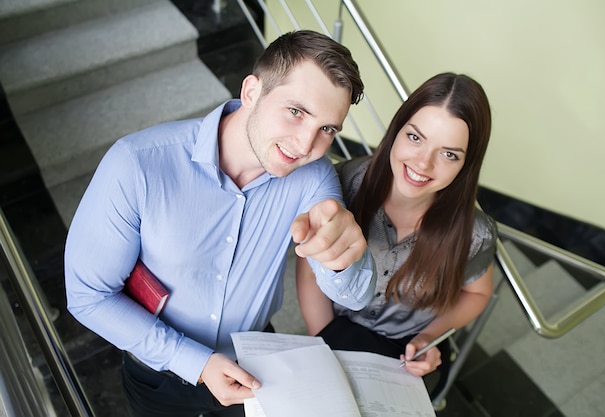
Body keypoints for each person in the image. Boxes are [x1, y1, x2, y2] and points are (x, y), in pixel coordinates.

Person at [64, 30, 376, 417]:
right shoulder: (136, 163)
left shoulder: (313, 177)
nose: (306, 144)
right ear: (251, 92)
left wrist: (344, 258)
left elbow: (355, 295)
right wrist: (195, 362)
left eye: (328, 129)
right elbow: (88, 295)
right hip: (160, 372)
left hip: (256, 364)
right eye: (296, 111)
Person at [297, 72, 497, 380]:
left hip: (407, 351)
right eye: (415, 137)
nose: (423, 163)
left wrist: (429, 339)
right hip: (333, 328)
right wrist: (324, 339)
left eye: (448, 154)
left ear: (466, 164)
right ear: (397, 130)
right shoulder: (341, 185)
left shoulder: (475, 234)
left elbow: (477, 294)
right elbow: (311, 266)